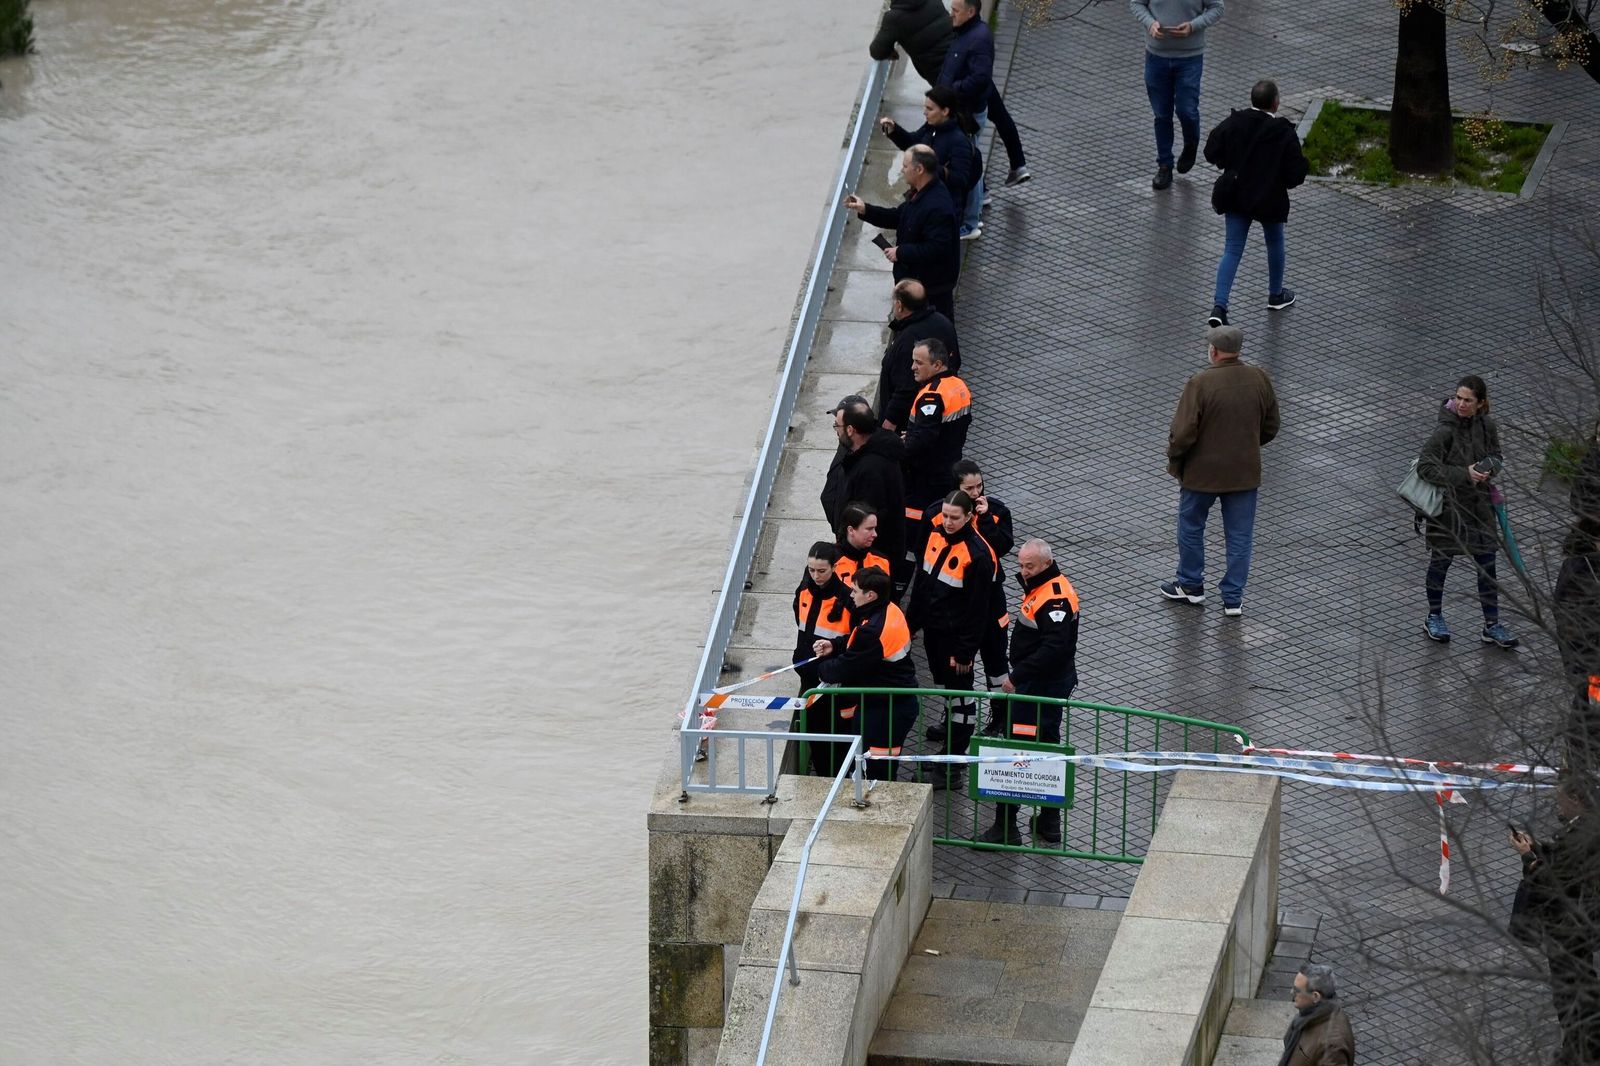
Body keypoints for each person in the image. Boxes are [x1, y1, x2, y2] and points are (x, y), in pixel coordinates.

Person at [1160, 325, 1278, 616]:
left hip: (1202, 474)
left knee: (1191, 526)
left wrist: (1175, 454)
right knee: (1240, 535)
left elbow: (1184, 432)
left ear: (1213, 351)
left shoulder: (1200, 383)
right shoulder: (1259, 378)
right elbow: (1271, 425)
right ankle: (1233, 598)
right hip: (1244, 473)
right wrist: (1248, 445)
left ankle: (1191, 585)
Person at [976, 539, 1080, 846]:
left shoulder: (1054, 598)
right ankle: (1048, 821)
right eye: (1021, 565)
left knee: (1017, 750)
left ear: (1047, 563)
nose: (1024, 571)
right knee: (1046, 747)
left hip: (1037, 688)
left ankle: (1006, 827)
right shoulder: (1046, 587)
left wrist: (1017, 675)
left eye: (1030, 566)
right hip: (1043, 685)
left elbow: (1055, 647)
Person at [1416, 375, 1518, 647]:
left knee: (1487, 566)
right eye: (1458, 398)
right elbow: (1425, 467)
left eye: (1468, 400)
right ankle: (1434, 616)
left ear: (1480, 403)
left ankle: (1491, 624)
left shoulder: (1487, 425)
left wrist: (1489, 468)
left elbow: (1497, 456)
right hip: (1448, 510)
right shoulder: (1444, 431)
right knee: (1440, 563)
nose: (1461, 404)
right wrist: (1465, 474)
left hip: (1480, 508)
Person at [1203, 80, 1309, 328]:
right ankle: (1275, 295)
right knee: (1275, 242)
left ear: (1252, 99)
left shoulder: (1235, 123)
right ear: (1276, 103)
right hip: (1269, 199)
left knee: (1232, 249)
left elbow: (1211, 151)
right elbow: (1295, 175)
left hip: (1236, 196)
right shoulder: (1283, 132)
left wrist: (1228, 163)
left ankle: (1219, 306)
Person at [1509, 779, 1600, 1066]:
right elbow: (1564, 862)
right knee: (1580, 983)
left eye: (1560, 799)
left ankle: (1580, 1049)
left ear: (1575, 799)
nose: (1557, 804)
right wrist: (1537, 848)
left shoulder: (1580, 835)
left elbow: (1553, 882)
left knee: (1569, 989)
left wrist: (1528, 858)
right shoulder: (1586, 828)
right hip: (1580, 920)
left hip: (1568, 924)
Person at [908, 490, 994, 789]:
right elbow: (922, 585)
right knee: (948, 694)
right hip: (935, 635)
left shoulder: (977, 555)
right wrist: (910, 624)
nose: (947, 522)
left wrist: (965, 652)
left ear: (969, 517)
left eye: (954, 518)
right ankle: (948, 754)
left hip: (955, 642)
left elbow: (977, 611)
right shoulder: (935, 537)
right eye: (944, 516)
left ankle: (953, 765)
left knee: (961, 701)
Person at [813, 566, 921, 781]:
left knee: (877, 772)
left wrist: (820, 668)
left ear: (870, 595)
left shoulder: (873, 629)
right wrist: (835, 645)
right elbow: (861, 646)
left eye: (855, 591)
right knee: (872, 764)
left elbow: (846, 667)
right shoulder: (889, 609)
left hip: (885, 710)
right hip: (890, 702)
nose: (851, 595)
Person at [845, 145, 962, 322]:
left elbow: (937, 248)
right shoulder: (921, 194)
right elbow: (898, 216)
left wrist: (900, 252)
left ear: (919, 169)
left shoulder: (938, 206)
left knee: (929, 335)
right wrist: (865, 209)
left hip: (929, 290)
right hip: (918, 286)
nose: (902, 170)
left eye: (905, 166)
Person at [1130, 0, 1225, 191]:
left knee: (1187, 111)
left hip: (1190, 57)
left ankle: (1191, 144)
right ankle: (1165, 165)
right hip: (1156, 56)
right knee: (1162, 115)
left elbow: (1217, 8)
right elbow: (1137, 4)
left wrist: (1193, 26)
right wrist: (1150, 23)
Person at [939, 0, 1031, 194]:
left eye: (955, 10)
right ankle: (1018, 165)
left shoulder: (977, 38)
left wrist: (953, 88)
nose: (951, 14)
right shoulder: (969, 32)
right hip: (978, 92)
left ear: (970, 12)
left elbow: (979, 77)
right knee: (1002, 120)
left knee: (970, 155)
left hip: (970, 100)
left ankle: (982, 193)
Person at [820, 397, 908, 584]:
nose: (836, 431)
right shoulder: (863, 455)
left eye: (837, 426)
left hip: (869, 565)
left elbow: (870, 521)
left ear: (850, 430)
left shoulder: (870, 469)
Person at [881, 86, 982, 237]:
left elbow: (961, 179)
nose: (924, 112)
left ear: (945, 111)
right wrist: (894, 130)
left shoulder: (959, 142)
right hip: (924, 200)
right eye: (925, 107)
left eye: (930, 109)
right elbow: (913, 144)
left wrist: (930, 168)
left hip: (943, 211)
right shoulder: (931, 127)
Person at [878, 279, 960, 433]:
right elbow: (956, 361)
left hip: (909, 423)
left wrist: (889, 422)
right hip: (943, 410)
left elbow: (905, 387)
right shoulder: (943, 323)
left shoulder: (908, 340)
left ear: (899, 305)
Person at [902, 338, 973, 513]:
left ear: (937, 365)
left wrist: (900, 448)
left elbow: (924, 438)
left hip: (927, 477)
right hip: (950, 465)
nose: (913, 367)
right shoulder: (958, 384)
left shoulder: (932, 395)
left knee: (919, 518)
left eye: (919, 363)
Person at [1281, 964, 1357, 1065]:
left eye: (1297, 991)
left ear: (1315, 996)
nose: (1291, 992)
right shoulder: (1309, 1016)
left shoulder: (1332, 1047)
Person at [867, 0, 953, 85]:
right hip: (957, 58)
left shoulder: (893, 19)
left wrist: (889, 52)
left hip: (940, 74)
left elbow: (877, 51)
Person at [834, 502, 894, 589]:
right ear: (851, 530)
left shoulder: (881, 561)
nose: (875, 534)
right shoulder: (830, 560)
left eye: (875, 528)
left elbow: (885, 596)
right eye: (869, 529)